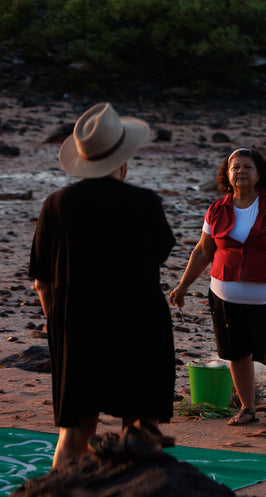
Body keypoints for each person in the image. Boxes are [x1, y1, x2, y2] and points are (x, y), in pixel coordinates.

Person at [29, 102, 176, 467]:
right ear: (123, 159)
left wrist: (56, 324)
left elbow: (42, 282)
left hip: (77, 326)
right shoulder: (145, 203)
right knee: (142, 427)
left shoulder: (56, 204)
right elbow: (160, 254)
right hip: (138, 323)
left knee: (76, 432)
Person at [169, 147, 266, 432]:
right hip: (223, 297)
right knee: (236, 354)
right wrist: (183, 285)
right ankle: (247, 409)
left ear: (259, 174)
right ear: (227, 175)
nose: (241, 171)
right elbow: (203, 251)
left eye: (248, 167)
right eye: (235, 167)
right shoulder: (217, 208)